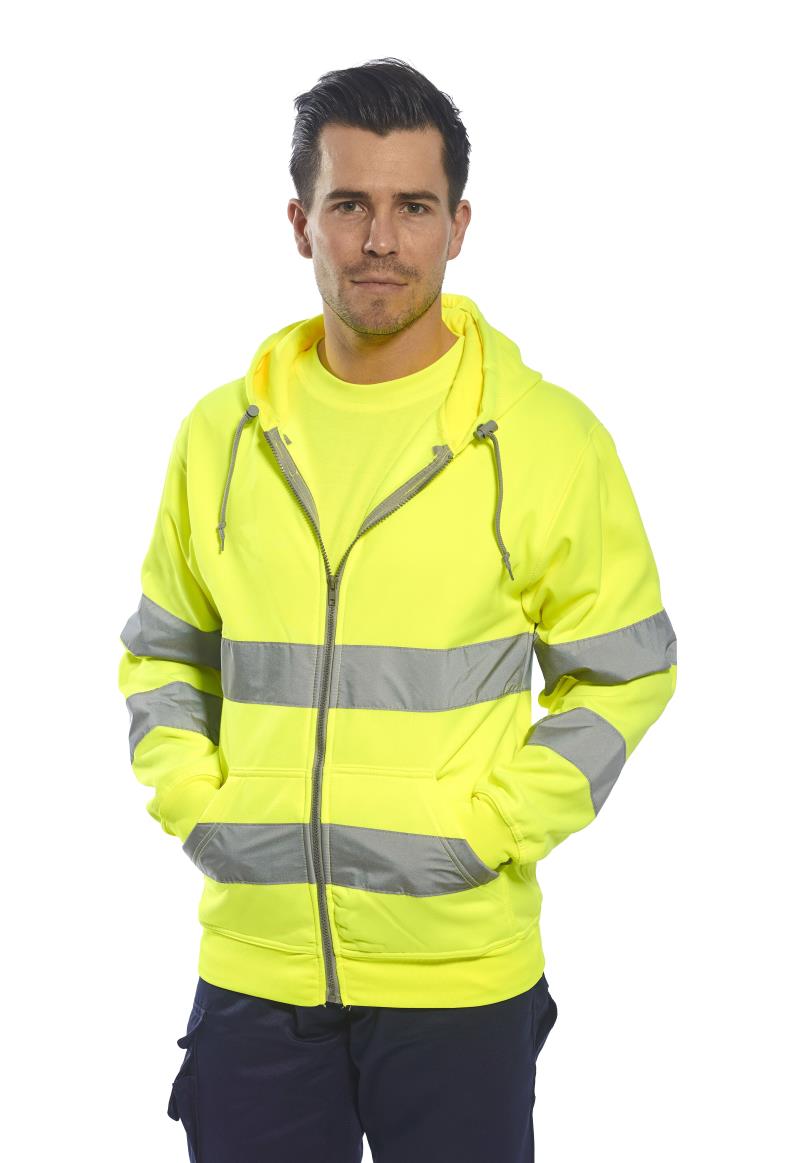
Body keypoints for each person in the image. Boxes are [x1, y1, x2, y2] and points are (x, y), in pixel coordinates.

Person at [117, 56, 677, 1163]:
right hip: (255, 967)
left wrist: (485, 831)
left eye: (413, 206)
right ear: (300, 223)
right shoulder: (220, 437)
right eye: (350, 205)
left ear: (458, 225)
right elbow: (166, 651)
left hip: (458, 973)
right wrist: (197, 805)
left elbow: (623, 672)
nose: (380, 239)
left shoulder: (545, 438)